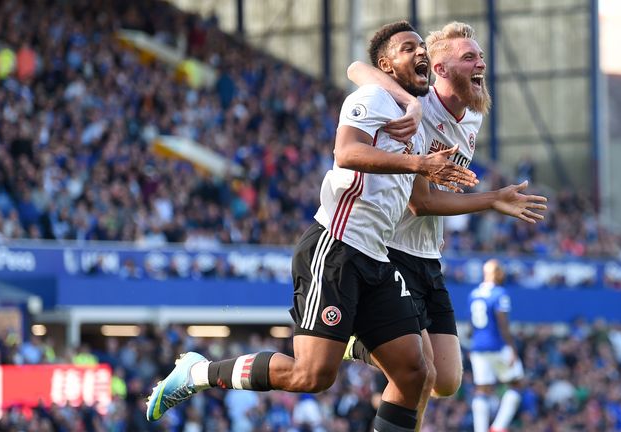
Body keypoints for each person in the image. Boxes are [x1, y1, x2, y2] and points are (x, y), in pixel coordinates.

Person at [146, 21, 479, 432]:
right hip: (336, 246)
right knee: (312, 377)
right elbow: (347, 151)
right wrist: (418, 163)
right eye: (408, 48)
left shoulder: (419, 111)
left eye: (421, 48)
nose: (420, 54)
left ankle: (351, 338)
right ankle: (199, 372)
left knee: (417, 374)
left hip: (376, 257)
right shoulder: (372, 98)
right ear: (386, 64)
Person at [344, 21, 547, 425]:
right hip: (391, 251)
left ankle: (362, 343)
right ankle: (359, 341)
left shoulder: (472, 116)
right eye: (469, 57)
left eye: (481, 57)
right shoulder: (415, 104)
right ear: (439, 69)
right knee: (420, 373)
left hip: (427, 257)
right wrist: (492, 200)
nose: (481, 65)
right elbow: (356, 69)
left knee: (447, 382)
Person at [468, 259, 524, 432]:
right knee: (517, 383)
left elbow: (472, 325)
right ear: (494, 273)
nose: (502, 274)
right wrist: (512, 348)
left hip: (478, 347)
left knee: (482, 389)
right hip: (497, 346)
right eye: (500, 270)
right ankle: (499, 427)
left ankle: (480, 429)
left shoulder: (474, 293)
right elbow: (503, 325)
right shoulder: (500, 294)